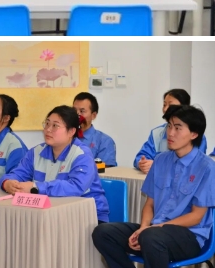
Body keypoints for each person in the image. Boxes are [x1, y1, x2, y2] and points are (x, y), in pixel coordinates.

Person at [92, 105, 215, 268]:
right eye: (169, 126)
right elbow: (149, 204)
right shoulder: (160, 160)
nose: (170, 133)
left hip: (189, 236)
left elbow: (196, 216)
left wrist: (156, 228)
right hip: (153, 232)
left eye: (178, 128)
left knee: (151, 237)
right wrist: (143, 227)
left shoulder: (206, 167)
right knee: (103, 233)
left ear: (194, 134)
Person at [0, 105, 110, 223]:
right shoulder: (35, 152)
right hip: (50, 214)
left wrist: (36, 187)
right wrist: (7, 183)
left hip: (87, 217)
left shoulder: (82, 155)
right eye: (47, 124)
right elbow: (17, 174)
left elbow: (76, 187)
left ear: (71, 131)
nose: (48, 129)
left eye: (55, 126)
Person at [134, 89, 207, 173]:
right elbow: (141, 157)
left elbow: (197, 164)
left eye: (171, 105)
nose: (165, 109)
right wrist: (142, 164)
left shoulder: (196, 135)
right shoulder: (157, 133)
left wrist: (158, 165)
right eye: (164, 105)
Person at [73, 92, 117, 167]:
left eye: (82, 111)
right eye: (74, 110)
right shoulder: (65, 137)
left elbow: (105, 170)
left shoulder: (104, 141)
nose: (77, 115)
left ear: (93, 115)